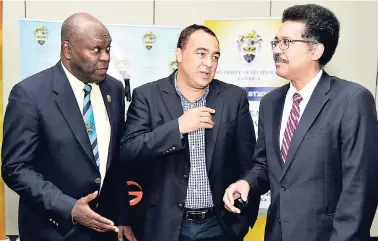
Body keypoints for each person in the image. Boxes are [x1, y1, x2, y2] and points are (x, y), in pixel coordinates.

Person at [223, 4, 378, 241]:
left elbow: (360, 189)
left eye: (286, 42)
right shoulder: (270, 103)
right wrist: (247, 183)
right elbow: (264, 165)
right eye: (276, 42)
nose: (276, 50)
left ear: (315, 50)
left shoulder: (352, 100)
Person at [1, 13, 136, 241]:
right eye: (96, 49)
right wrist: (68, 207)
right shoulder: (29, 94)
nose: (105, 58)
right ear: (67, 50)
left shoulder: (113, 89)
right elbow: (15, 168)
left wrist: (123, 217)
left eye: (108, 49)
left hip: (105, 229)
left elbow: (115, 162)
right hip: (53, 231)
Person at [121, 24, 260, 241]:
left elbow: (250, 162)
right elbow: (129, 151)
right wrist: (177, 128)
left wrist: (243, 222)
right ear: (179, 54)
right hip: (164, 227)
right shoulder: (147, 96)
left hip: (220, 226)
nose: (209, 63)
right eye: (201, 54)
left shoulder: (234, 98)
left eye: (215, 57)